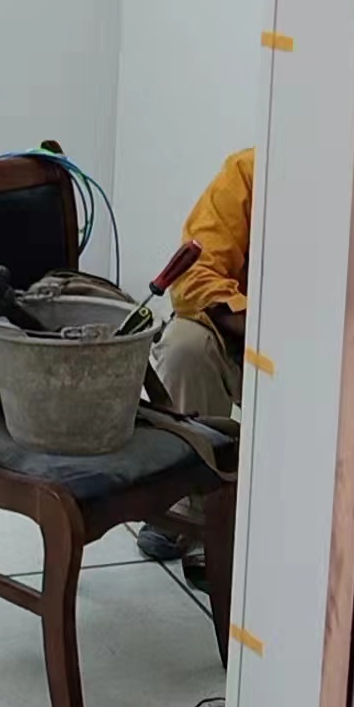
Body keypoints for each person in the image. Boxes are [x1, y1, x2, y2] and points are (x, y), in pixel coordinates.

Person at [137, 146, 253, 565]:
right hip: (255, 341)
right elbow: (195, 276)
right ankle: (185, 501)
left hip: (347, 357)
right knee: (186, 345)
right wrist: (263, 330)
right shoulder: (251, 171)